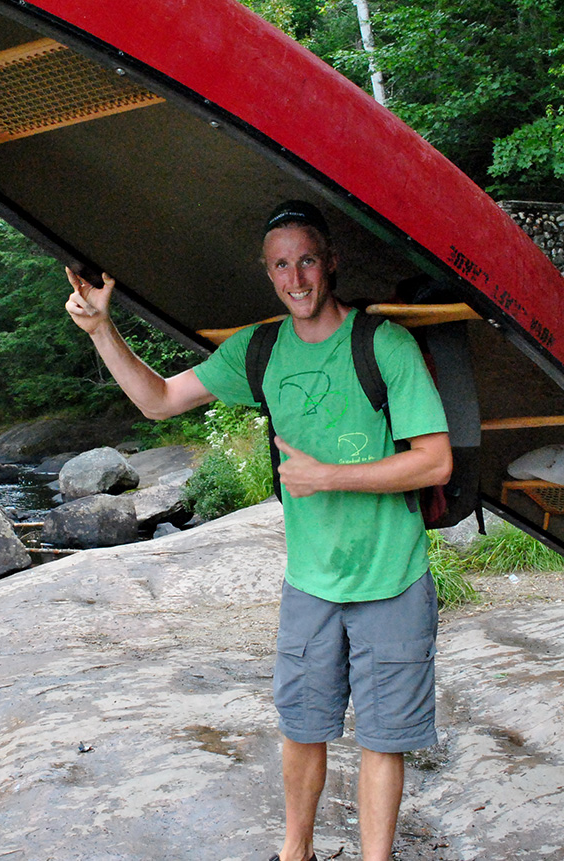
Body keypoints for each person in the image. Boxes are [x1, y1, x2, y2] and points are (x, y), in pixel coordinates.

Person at [65, 200, 452, 861]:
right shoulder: (260, 349)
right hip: (311, 582)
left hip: (394, 576)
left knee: (383, 738)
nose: (296, 277)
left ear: (329, 262)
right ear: (266, 272)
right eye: (281, 264)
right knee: (303, 727)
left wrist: (328, 475)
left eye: (306, 260)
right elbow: (158, 400)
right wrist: (102, 330)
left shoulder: (382, 344)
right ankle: (293, 852)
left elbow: (434, 458)